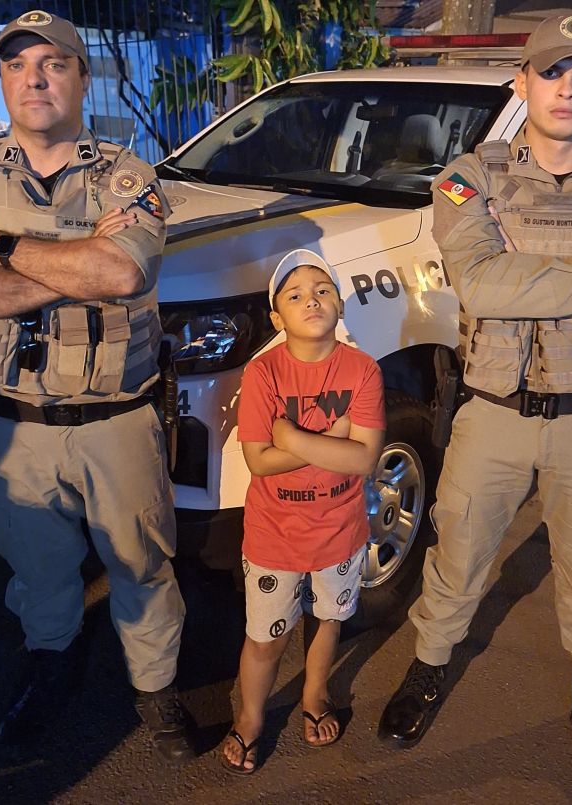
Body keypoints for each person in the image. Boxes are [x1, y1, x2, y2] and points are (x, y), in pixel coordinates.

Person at [377, 14, 572, 786]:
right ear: (524, 84)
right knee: (459, 554)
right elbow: (481, 283)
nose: (567, 89)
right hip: (493, 414)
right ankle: (428, 668)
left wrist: (537, 280)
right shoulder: (470, 177)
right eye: (552, 73)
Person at [0, 10, 192, 762]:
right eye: (17, 65)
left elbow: (124, 271)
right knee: (37, 570)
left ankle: (157, 689)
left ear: (81, 75)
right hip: (12, 429)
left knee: (142, 564)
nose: (34, 78)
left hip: (117, 422)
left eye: (53, 63)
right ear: (2, 80)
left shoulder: (126, 174)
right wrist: (72, 267)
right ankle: (51, 665)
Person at [220, 249, 385, 774]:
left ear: (339, 303)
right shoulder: (263, 371)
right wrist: (327, 438)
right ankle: (250, 716)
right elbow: (260, 462)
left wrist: (290, 434)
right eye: (294, 295)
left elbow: (363, 458)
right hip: (275, 534)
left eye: (322, 290)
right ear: (277, 317)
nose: (310, 300)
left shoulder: (362, 369)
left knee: (329, 618)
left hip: (340, 529)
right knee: (265, 636)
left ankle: (315, 692)